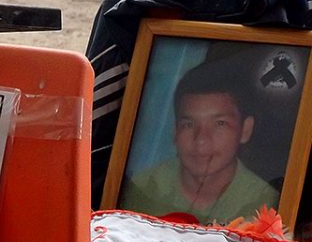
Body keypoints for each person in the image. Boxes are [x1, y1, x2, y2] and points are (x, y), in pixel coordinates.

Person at [120, 60, 279, 224]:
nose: (201, 140)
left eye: (220, 124)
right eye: (189, 124)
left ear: (245, 130)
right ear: (175, 131)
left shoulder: (265, 206)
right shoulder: (144, 187)